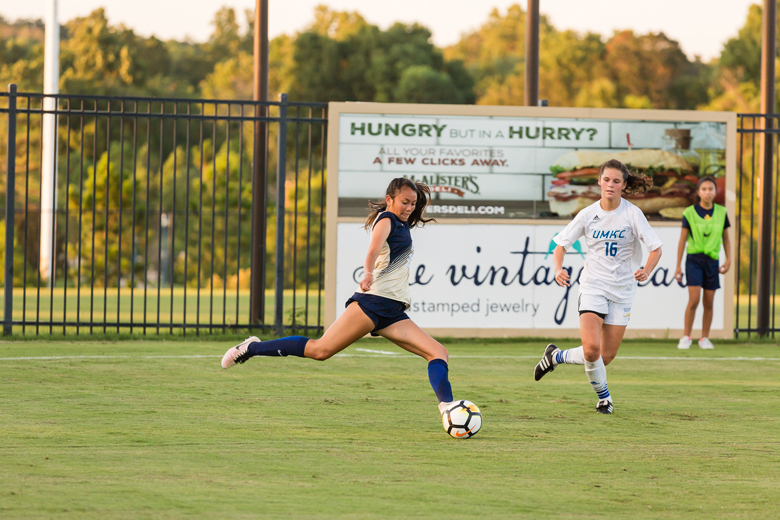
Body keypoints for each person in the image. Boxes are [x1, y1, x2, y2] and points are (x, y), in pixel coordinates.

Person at [220, 177, 458, 422]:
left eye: (413, 203)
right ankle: (251, 347)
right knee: (320, 350)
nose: (409, 208)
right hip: (372, 303)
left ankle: (448, 410)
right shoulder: (386, 220)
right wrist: (367, 274)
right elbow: (372, 252)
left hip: (393, 311)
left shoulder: (402, 223)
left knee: (438, 352)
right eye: (404, 202)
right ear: (389, 200)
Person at [533, 159, 663, 414]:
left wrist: (646, 269)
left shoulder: (632, 214)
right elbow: (560, 245)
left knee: (605, 357)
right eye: (606, 180)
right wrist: (558, 268)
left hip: (623, 291)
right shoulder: (588, 214)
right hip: (593, 287)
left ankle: (555, 356)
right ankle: (604, 398)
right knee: (591, 350)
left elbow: (656, 248)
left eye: (616, 181)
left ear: (624, 185)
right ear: (599, 182)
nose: (610, 185)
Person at [674, 176, 731, 350]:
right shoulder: (689, 213)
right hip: (694, 260)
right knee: (694, 299)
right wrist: (678, 265)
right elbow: (682, 240)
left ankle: (704, 338)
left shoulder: (722, 212)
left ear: (715, 192)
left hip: (712, 261)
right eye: (704, 189)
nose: (707, 192)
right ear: (698, 192)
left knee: (709, 301)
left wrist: (729, 259)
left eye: (710, 189)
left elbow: (725, 238)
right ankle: (686, 336)